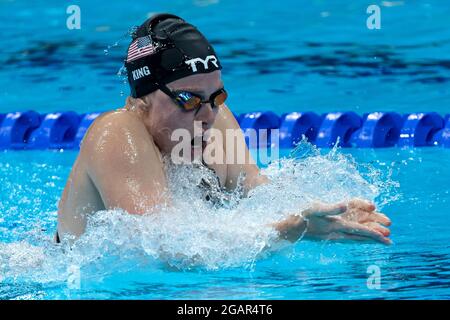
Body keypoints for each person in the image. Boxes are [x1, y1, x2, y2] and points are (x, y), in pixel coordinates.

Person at [56, 13, 391, 245]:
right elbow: (159, 246)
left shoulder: (213, 118)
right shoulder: (117, 132)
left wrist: (319, 212)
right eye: (187, 99)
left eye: (216, 97)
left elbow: (255, 191)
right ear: (144, 96)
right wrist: (288, 231)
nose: (208, 115)